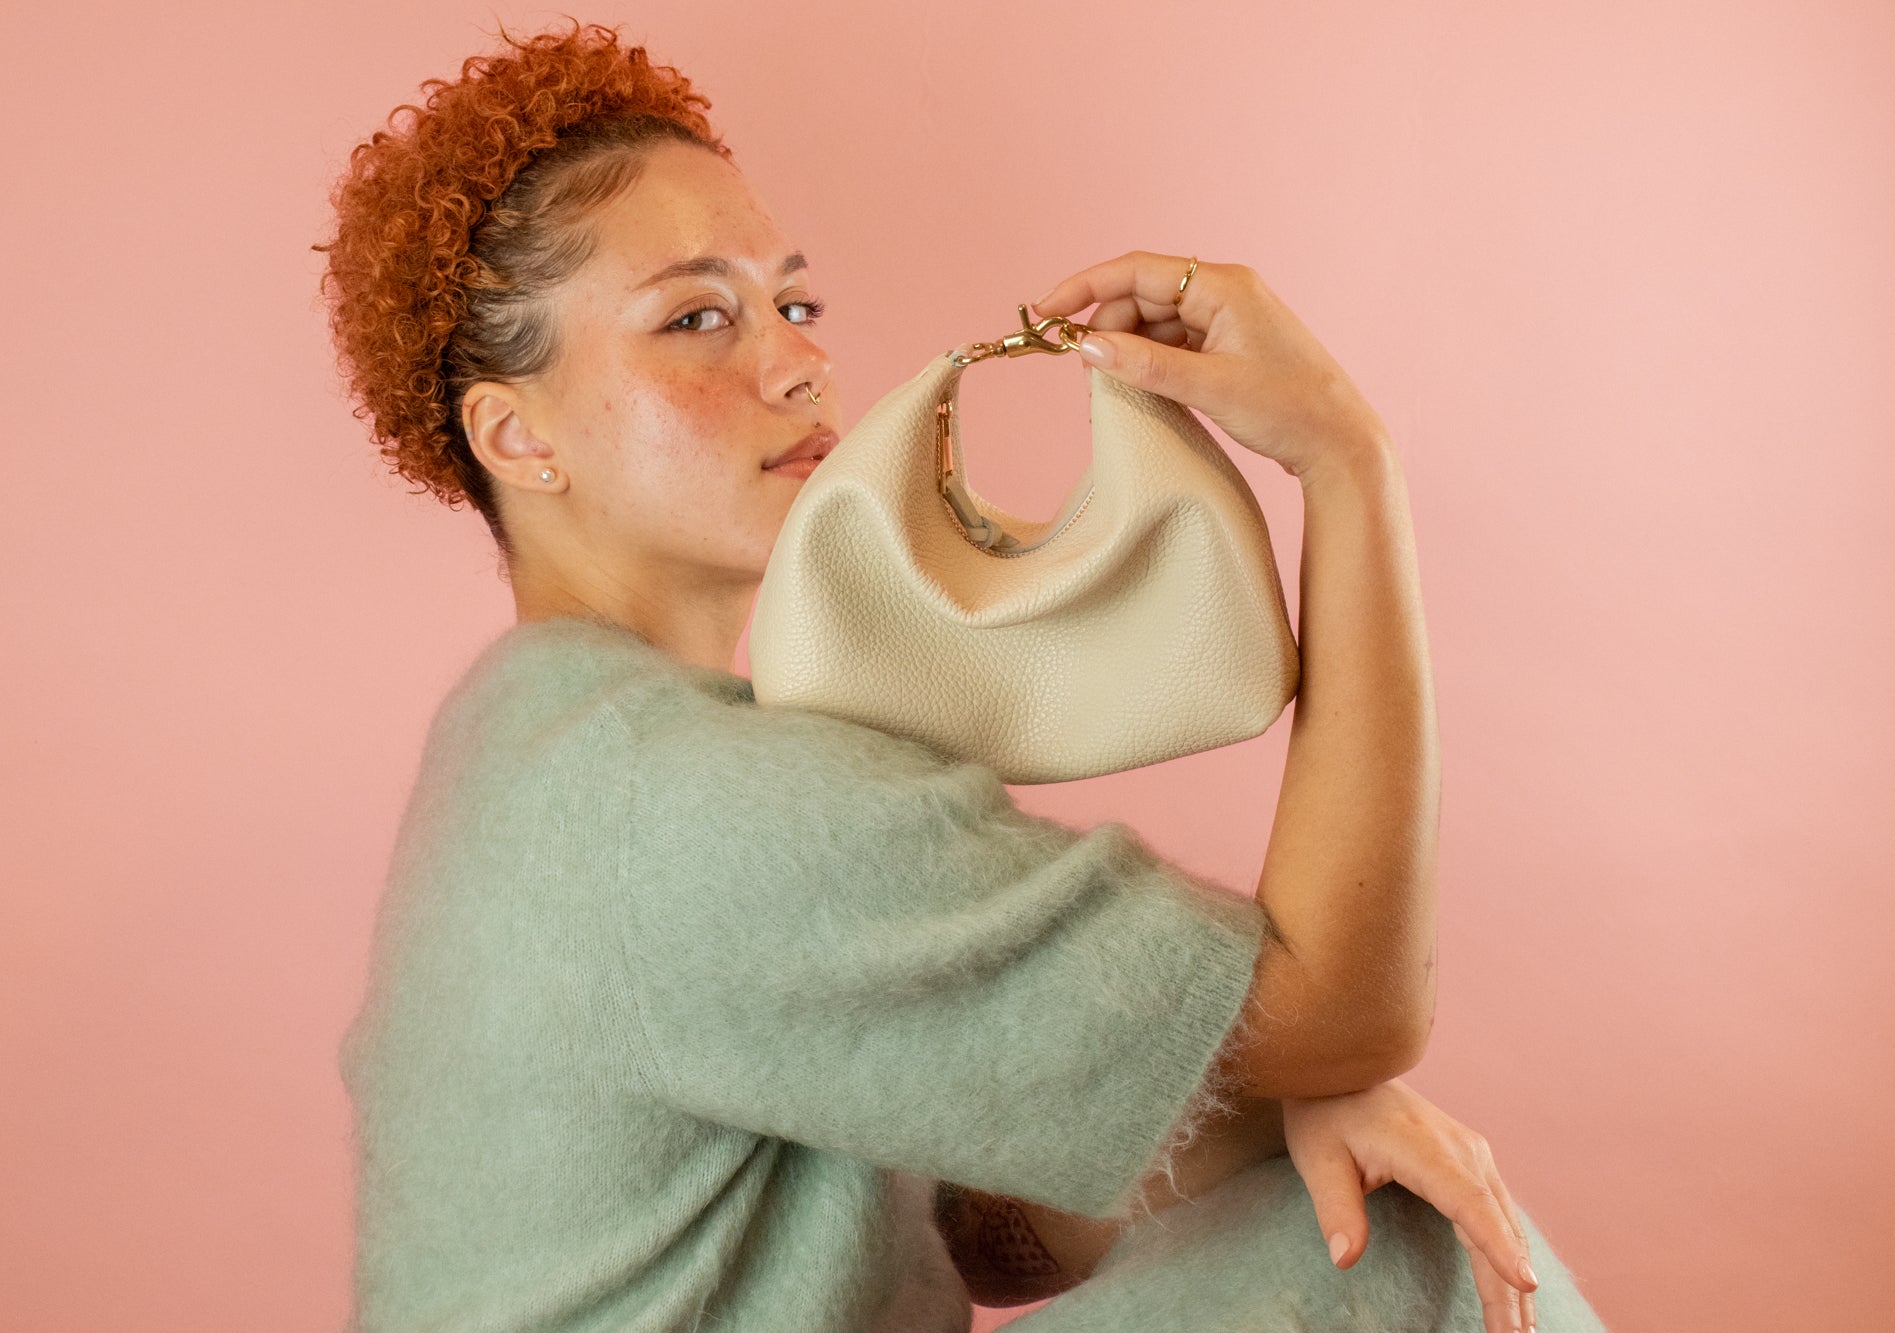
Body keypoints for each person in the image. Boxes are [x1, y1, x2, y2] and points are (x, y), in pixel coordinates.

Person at [315, 17, 1608, 1333]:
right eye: (697, 316)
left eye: (794, 304)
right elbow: (1354, 1007)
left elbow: (974, 1241)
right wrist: (1344, 458)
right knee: (1394, 1258)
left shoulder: (532, 747)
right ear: (514, 433)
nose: (796, 360)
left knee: (1332, 1194)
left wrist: (1298, 1097)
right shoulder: (668, 797)